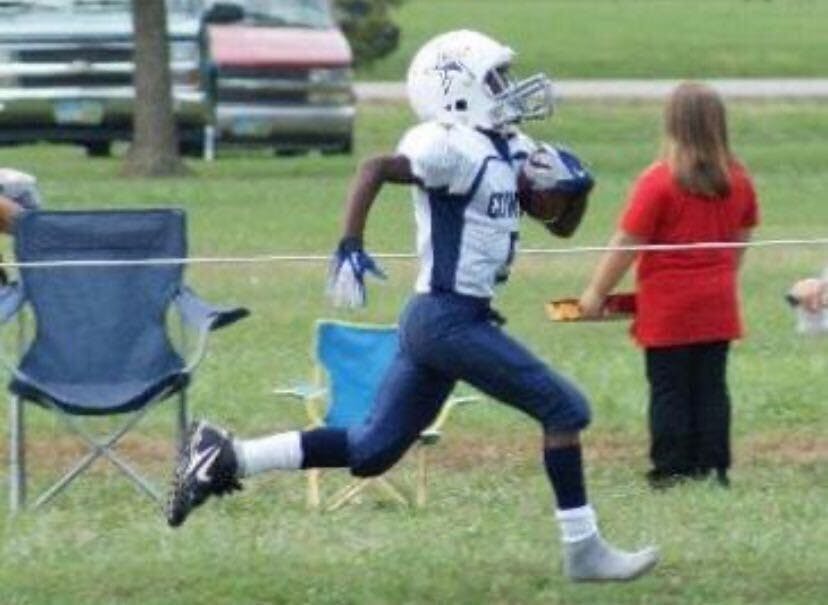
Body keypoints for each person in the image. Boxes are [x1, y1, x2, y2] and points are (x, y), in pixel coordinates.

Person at [166, 30, 659, 582]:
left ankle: (226, 456)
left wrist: (574, 191)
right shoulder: (451, 144)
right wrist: (351, 242)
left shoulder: (508, 146)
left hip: (442, 322)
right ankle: (583, 549)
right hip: (448, 317)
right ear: (456, 90)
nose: (507, 88)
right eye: (494, 79)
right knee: (566, 410)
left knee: (371, 450)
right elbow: (375, 167)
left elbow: (561, 226)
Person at [579, 82, 759, 489]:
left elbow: (627, 242)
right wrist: (724, 275)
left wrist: (596, 292)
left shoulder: (658, 181)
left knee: (669, 389)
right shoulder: (738, 180)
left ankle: (672, 469)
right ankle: (714, 468)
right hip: (718, 302)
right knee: (712, 387)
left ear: (672, 125)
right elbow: (742, 235)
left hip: (668, 306)